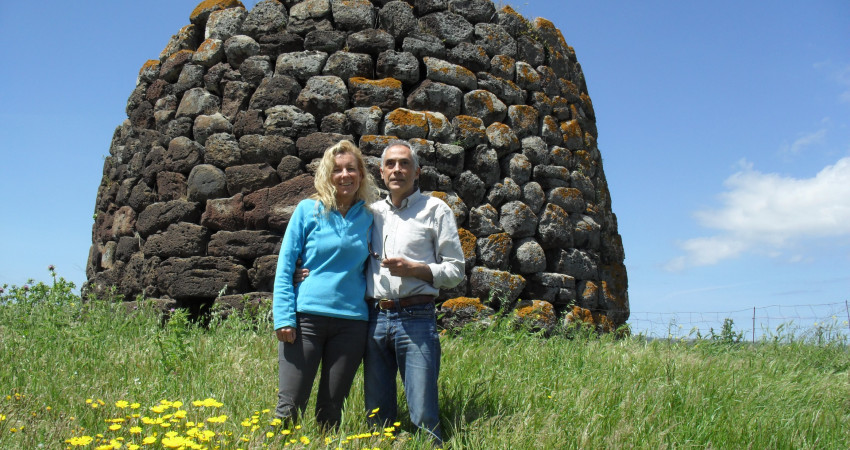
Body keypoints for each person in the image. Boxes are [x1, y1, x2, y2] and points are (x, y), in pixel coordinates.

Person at [363, 140, 465, 444]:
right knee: (377, 416)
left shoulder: (436, 210)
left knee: (423, 415)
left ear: (417, 171)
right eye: (391, 164)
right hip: (375, 319)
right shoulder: (370, 213)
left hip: (417, 318)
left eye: (404, 163)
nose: (397, 169)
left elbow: (456, 271)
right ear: (381, 172)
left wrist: (416, 269)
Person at [272, 140, 378, 429]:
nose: (345, 175)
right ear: (327, 174)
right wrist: (283, 317)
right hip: (306, 320)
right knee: (289, 408)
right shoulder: (308, 210)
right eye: (337, 170)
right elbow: (284, 267)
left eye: (351, 169)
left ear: (361, 175)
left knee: (331, 412)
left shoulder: (371, 218)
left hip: (352, 324)